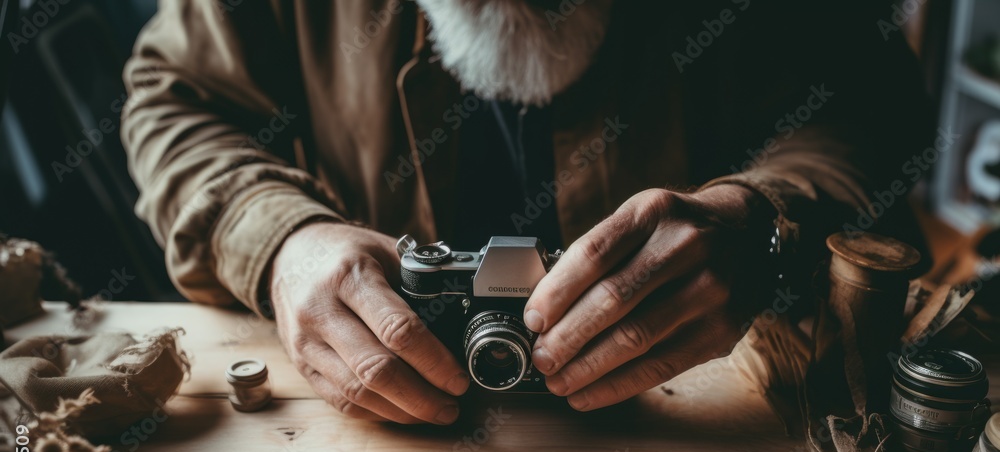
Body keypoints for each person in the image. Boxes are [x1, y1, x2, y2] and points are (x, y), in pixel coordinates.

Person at [122, 0, 932, 425]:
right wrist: (280, 239)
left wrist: (763, 220)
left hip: (714, 422)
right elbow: (173, 99)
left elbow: (873, 111)